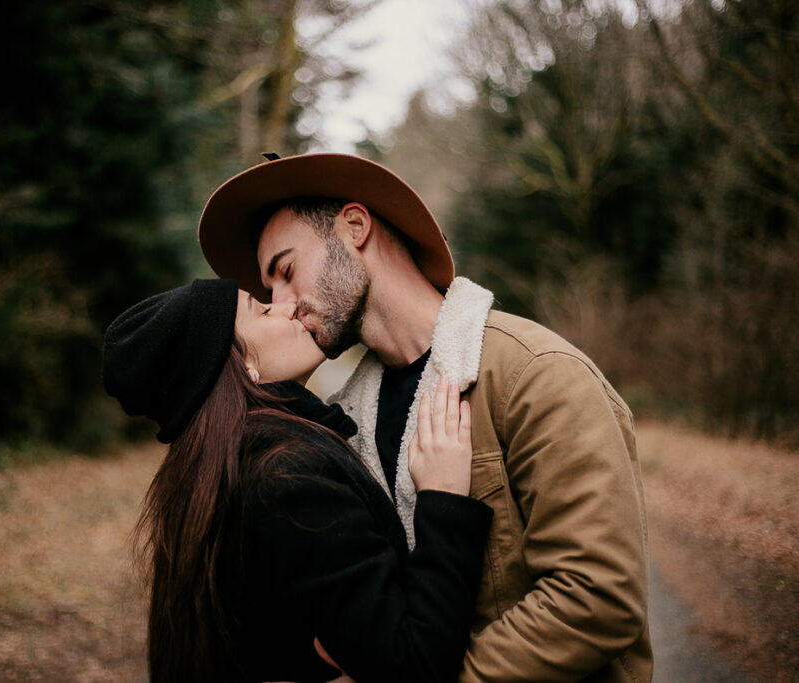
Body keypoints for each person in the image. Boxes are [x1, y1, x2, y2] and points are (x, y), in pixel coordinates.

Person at [197, 153, 654, 682]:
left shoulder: (534, 375)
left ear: (354, 226)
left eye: (286, 270)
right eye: (267, 290)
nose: (280, 304)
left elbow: (598, 599)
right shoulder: (338, 424)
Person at [101, 277, 493, 683]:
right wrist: (443, 498)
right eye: (262, 310)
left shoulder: (225, 470)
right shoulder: (285, 477)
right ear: (243, 366)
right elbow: (414, 662)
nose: (286, 305)